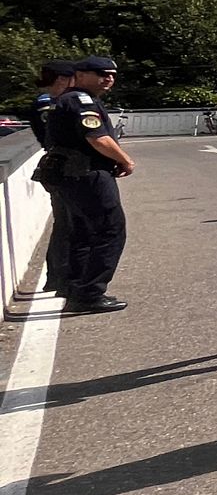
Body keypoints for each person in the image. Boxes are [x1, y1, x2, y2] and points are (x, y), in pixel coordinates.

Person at [42, 56, 135, 315]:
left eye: (112, 75)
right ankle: (90, 293)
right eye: (101, 74)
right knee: (110, 230)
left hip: (71, 174)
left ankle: (74, 288)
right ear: (80, 75)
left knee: (81, 232)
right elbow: (97, 138)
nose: (109, 79)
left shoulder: (70, 99)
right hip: (86, 173)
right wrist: (125, 160)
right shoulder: (81, 101)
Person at [27, 60, 75, 300]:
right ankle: (60, 278)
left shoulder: (47, 102)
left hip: (58, 166)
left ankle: (58, 277)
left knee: (65, 223)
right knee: (68, 224)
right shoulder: (48, 104)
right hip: (64, 167)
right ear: (62, 79)